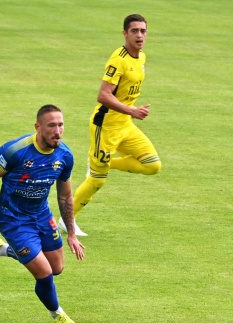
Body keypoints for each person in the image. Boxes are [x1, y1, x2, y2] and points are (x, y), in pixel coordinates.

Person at [0, 105, 86, 323]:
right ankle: (57, 314)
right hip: (13, 219)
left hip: (41, 214)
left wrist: (72, 234)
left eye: (61, 125)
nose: (57, 131)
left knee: (57, 268)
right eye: (51, 125)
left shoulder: (64, 156)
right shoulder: (15, 151)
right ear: (38, 127)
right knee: (45, 273)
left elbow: (65, 194)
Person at [61, 13, 162, 236]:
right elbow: (103, 95)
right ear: (125, 33)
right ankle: (66, 220)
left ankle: (100, 164)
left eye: (143, 31)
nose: (139, 35)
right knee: (97, 181)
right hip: (105, 126)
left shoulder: (141, 57)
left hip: (125, 125)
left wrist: (130, 114)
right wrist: (132, 111)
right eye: (134, 31)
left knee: (152, 165)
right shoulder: (119, 59)